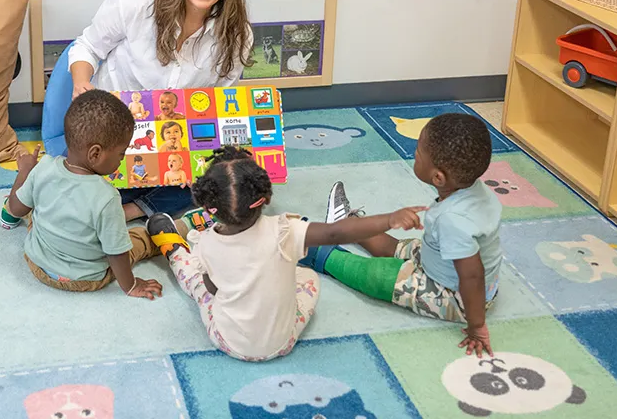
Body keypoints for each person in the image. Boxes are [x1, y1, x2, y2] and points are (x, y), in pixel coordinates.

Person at [145, 146, 424, 362]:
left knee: (195, 281)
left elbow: (211, 288)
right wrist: (389, 219)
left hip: (228, 342)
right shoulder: (285, 230)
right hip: (283, 342)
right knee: (308, 277)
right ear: (265, 199)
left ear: (209, 207)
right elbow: (335, 233)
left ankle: (170, 245)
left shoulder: (206, 243)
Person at [68, 0, 254, 222]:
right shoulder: (133, 4)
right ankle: (138, 202)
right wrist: (81, 82)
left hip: (177, 144)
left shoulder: (237, 35)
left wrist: (201, 159)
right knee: (73, 193)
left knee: (232, 182)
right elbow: (86, 47)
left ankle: (131, 210)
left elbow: (221, 104)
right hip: (114, 137)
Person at [302, 114, 501, 358]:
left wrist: (477, 325)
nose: (414, 154)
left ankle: (319, 254)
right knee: (400, 247)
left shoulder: (454, 221)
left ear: (438, 177)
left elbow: (471, 275)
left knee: (379, 275)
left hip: (455, 296)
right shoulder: (472, 190)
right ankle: (346, 224)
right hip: (441, 259)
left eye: (418, 152)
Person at [2, 90, 163, 299]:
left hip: (38, 264)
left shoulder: (44, 167)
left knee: (33, 206)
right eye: (121, 153)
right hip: (85, 279)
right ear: (95, 153)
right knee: (138, 238)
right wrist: (131, 286)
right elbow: (116, 253)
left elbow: (17, 209)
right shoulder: (107, 198)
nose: (122, 160)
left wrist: (25, 171)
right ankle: (180, 227)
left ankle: (8, 211)